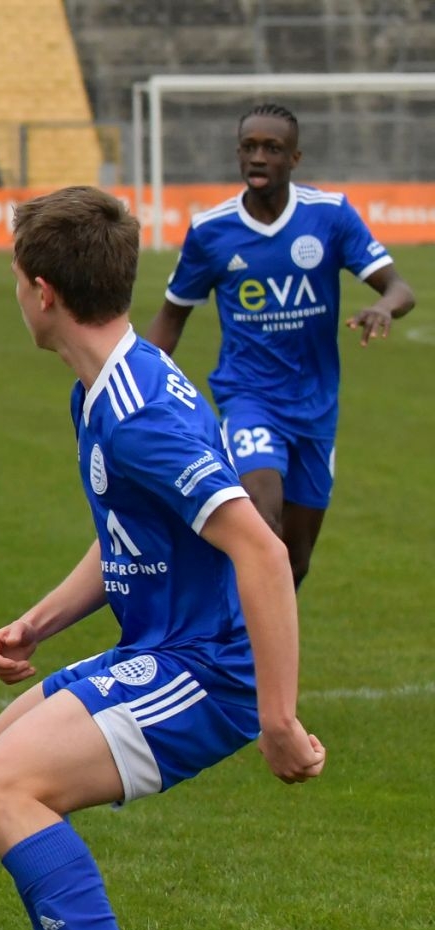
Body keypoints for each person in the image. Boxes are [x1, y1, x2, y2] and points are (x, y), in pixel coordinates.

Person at [0, 186, 324, 930]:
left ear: (43, 292)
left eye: (14, 280)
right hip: (162, 644)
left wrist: (278, 720)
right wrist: (37, 622)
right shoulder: (110, 386)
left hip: (209, 672)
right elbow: (132, 532)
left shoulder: (139, 411)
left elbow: (262, 550)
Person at [143, 104, 415, 586]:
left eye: (272, 148)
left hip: (315, 406)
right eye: (249, 147)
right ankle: (234, 656)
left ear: (295, 157)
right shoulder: (212, 232)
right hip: (249, 399)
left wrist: (383, 308)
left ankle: (254, 652)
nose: (259, 157)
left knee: (295, 560)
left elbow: (400, 289)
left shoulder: (328, 216)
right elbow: (171, 317)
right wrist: (133, 388)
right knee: (264, 529)